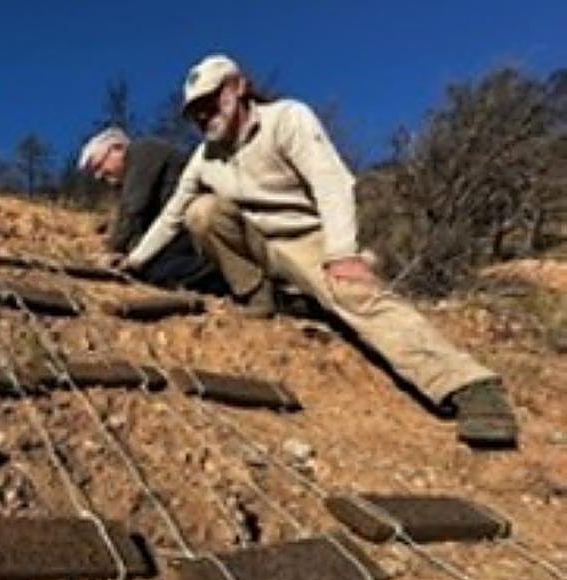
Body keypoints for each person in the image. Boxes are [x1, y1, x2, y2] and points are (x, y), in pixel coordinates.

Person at [119, 54, 517, 448]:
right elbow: (172, 216)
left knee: (354, 296)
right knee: (201, 212)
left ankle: (469, 386)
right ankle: (258, 294)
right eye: (195, 111)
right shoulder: (204, 158)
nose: (205, 115)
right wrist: (135, 260)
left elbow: (331, 182)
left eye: (211, 100)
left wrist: (342, 252)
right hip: (258, 246)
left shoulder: (286, 118)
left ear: (238, 87)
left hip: (309, 240)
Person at [77, 127, 217, 289]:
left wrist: (111, 251)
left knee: (152, 268)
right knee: (149, 268)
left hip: (191, 227)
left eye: (98, 165)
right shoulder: (129, 177)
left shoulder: (143, 152)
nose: (98, 175)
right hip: (176, 231)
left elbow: (134, 210)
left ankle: (218, 274)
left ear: (117, 148)